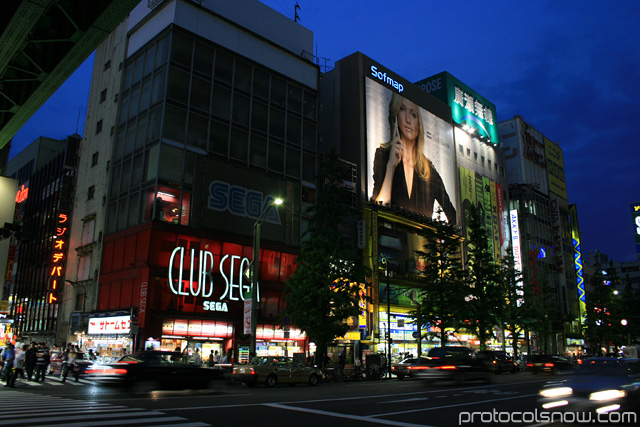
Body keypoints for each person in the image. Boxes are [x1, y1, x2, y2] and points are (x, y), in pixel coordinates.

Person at [371, 92, 456, 223]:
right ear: (396, 115)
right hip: (389, 237)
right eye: (402, 109)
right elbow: (377, 208)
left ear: (419, 123)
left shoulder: (429, 171)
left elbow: (453, 216)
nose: (408, 120)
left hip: (423, 240)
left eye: (413, 114)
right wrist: (390, 167)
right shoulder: (383, 155)